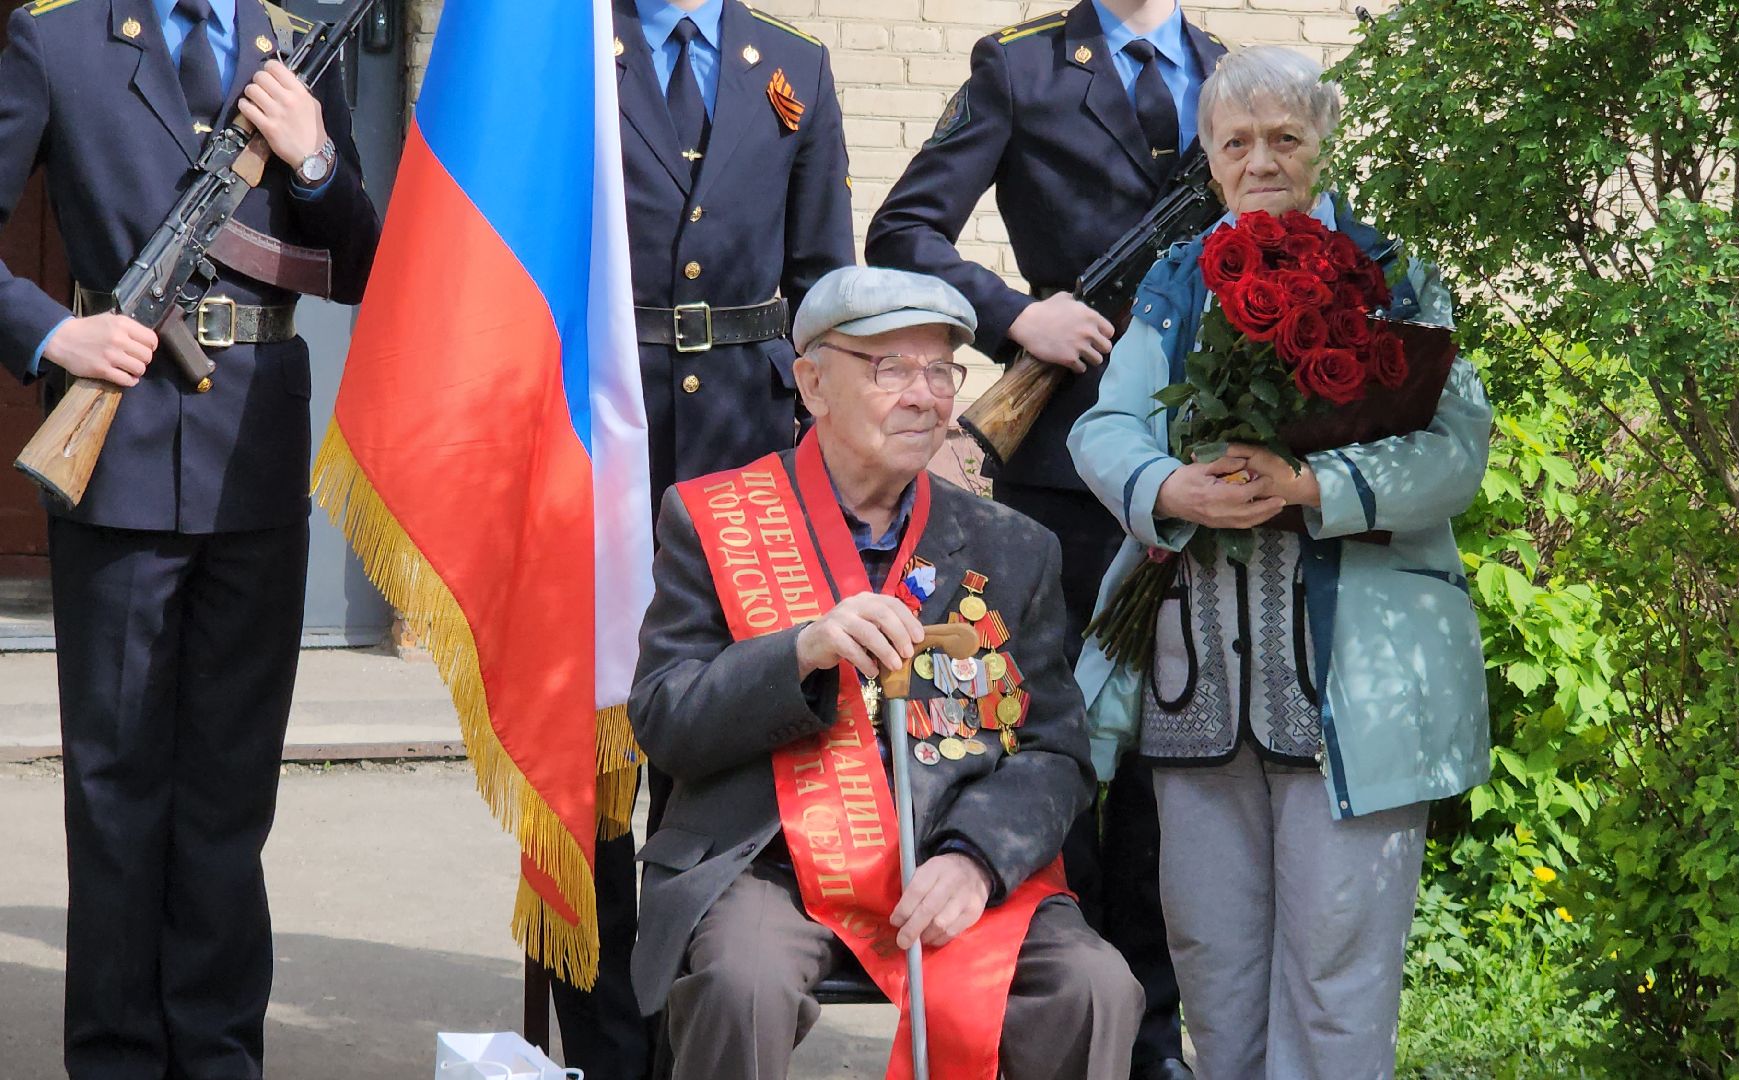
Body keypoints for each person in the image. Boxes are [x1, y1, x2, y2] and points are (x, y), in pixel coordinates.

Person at [1069, 46, 1493, 1080]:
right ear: (1210, 160)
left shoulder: (1393, 275)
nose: (1261, 161)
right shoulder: (1177, 280)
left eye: (1284, 138)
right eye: (1235, 143)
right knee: (1213, 965)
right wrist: (1173, 490)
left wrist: (1311, 487)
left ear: (1322, 143)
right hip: (1194, 680)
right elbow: (1106, 428)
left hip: (1356, 688)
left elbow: (1453, 451)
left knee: (1338, 972)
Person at [628, 265, 1143, 1079]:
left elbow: (1055, 752)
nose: (925, 396)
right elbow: (664, 718)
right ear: (811, 383)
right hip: (767, 864)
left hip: (949, 861)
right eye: (890, 368)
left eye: (941, 369)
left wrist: (978, 857)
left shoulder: (1014, 546)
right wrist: (797, 652)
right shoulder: (715, 517)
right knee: (743, 984)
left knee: (1095, 986)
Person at [0, 0, 379, 1075]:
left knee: (228, 793)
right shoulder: (61, 38)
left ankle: (218, 1054)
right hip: (114, 456)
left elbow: (357, 266)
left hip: (253, 460)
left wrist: (312, 163)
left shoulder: (298, 43)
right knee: (117, 794)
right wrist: (51, 331)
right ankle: (116, 1056)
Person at [865, 4, 1223, 1075]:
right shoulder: (1018, 68)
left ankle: (1147, 1037)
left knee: (1170, 766)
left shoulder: (1228, 78)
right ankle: (1055, 1024)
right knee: (1056, 752)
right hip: (1062, 476)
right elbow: (903, 232)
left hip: (1199, 472)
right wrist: (1018, 315)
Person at [553, 1, 856, 1072]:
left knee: (709, 734)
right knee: (584, 754)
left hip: (740, 440)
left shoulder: (792, 65)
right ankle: (601, 1041)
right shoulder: (571, 44)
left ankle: (697, 1017)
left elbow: (824, 279)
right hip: (591, 437)